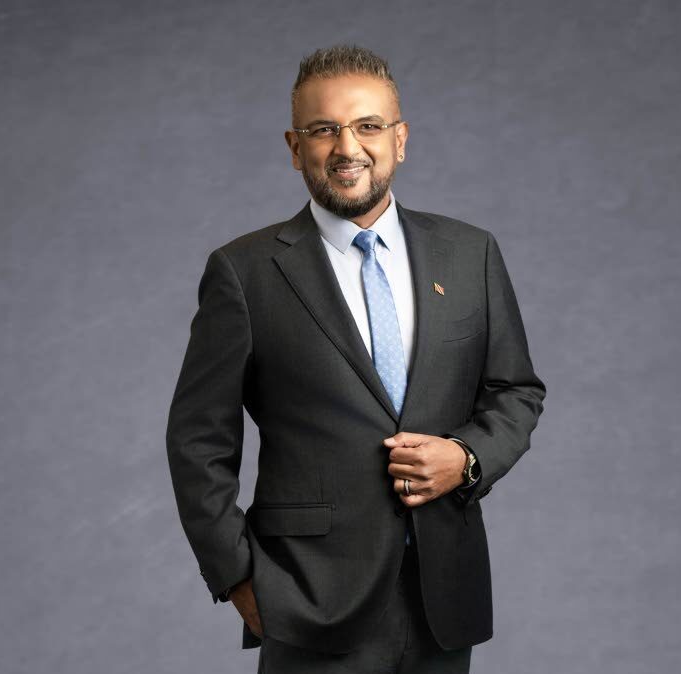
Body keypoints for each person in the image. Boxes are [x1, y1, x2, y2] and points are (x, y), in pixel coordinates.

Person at [165, 44, 546, 673]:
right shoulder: (244, 272)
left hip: (444, 596)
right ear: (295, 148)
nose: (348, 148)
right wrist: (238, 577)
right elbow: (197, 439)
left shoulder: (469, 253)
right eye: (324, 129)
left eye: (368, 125)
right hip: (307, 599)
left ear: (400, 139)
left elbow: (516, 391)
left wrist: (467, 457)